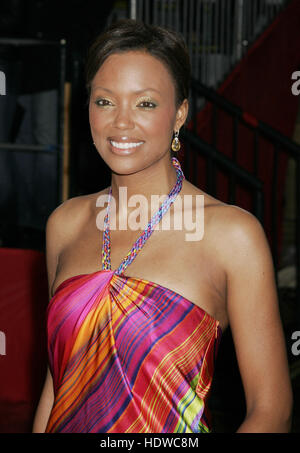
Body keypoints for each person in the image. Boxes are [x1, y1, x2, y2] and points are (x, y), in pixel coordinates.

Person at [32, 19, 293, 433]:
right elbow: (58, 381)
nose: (121, 123)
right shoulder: (64, 224)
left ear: (180, 114)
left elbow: (271, 409)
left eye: (146, 103)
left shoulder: (231, 235)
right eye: (104, 102)